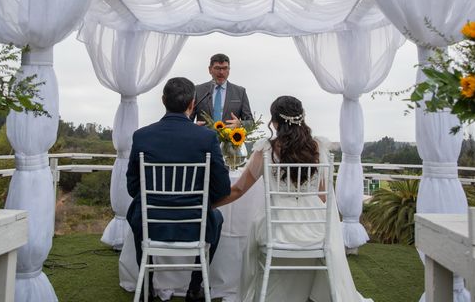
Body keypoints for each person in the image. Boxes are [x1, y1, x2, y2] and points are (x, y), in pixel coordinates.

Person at [214, 96, 371, 302]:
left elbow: (238, 190)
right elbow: (324, 197)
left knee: (253, 233)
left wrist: (209, 204)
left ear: (275, 122)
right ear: (302, 117)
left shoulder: (266, 150)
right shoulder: (317, 149)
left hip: (277, 230)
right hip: (315, 230)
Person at [126, 77, 231, 302]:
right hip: (194, 225)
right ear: (192, 104)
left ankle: (146, 286)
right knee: (218, 218)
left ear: (163, 100)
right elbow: (223, 187)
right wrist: (198, 203)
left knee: (136, 211)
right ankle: (195, 286)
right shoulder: (207, 137)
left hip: (151, 224)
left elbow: (132, 187)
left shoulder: (142, 135)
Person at [191, 53, 253, 129]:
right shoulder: (198, 90)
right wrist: (192, 127)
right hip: (204, 139)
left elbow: (250, 122)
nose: (221, 72)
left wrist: (240, 124)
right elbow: (187, 118)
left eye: (225, 68)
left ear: (229, 69)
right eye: (217, 68)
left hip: (229, 139)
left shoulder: (240, 92)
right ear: (210, 69)